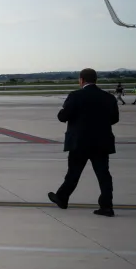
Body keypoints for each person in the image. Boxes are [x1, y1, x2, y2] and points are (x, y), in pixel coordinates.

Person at [48, 68, 118, 216]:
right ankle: (107, 206)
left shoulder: (75, 96)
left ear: (81, 80)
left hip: (79, 142)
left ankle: (62, 197)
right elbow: (114, 119)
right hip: (101, 142)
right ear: (96, 80)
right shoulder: (108, 97)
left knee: (73, 173)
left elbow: (63, 117)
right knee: (104, 175)